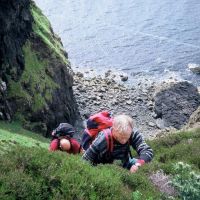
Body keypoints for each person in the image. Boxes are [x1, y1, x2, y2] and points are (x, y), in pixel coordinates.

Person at [82, 114, 153, 173]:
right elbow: (86, 159)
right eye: (120, 137)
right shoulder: (103, 138)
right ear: (113, 129)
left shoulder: (132, 133)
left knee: (148, 167)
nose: (123, 141)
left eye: (126, 137)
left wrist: (138, 164)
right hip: (103, 169)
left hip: (125, 163)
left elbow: (147, 151)